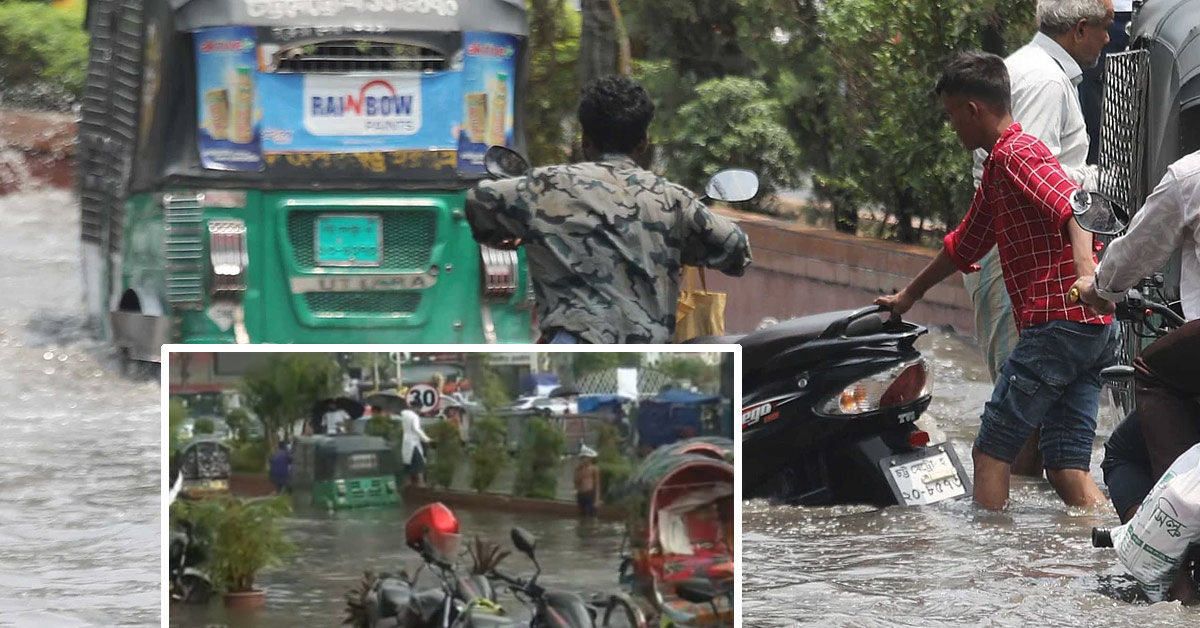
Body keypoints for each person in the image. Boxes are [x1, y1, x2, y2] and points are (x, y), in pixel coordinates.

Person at [876, 51, 1116, 510]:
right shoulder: (997, 169)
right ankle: (1108, 555)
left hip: (1057, 324)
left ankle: (991, 574)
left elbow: (1076, 206)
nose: (952, 128)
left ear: (972, 110)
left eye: (951, 116)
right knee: (1066, 468)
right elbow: (964, 245)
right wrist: (909, 296)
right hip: (1088, 332)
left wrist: (1088, 276)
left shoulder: (1017, 154)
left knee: (989, 452)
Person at [464, 75, 752, 344]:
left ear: (585, 140)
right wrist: (683, 243)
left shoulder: (541, 187)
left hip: (571, 353)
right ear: (643, 142)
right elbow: (737, 250)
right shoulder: (672, 199)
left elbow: (477, 201)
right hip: (648, 363)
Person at [964, 0, 1114, 476]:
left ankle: (1025, 539)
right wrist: (1098, 182)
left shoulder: (1033, 71)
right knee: (1023, 431)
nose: (1110, 39)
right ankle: (1025, 541)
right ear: (1081, 29)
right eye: (1106, 30)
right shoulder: (1046, 81)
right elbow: (1047, 188)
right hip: (1038, 269)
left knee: (1032, 432)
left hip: (1048, 283)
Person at [1070, 149, 1200, 519]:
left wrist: (1100, 289)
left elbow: (1135, 251)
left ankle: (1174, 531)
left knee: (1125, 449)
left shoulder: (1190, 176)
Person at [400, 409, 433, 488]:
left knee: (406, 462)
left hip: (404, 440)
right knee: (419, 461)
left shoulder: (403, 414)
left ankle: (407, 481)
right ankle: (421, 482)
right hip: (413, 442)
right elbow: (416, 429)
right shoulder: (414, 416)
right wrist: (427, 439)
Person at [574, 445, 602, 518]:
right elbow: (576, 481)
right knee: (582, 515)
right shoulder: (578, 469)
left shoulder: (594, 469)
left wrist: (597, 499)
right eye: (582, 458)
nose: (583, 459)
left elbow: (597, 485)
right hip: (581, 494)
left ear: (590, 459)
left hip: (590, 494)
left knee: (591, 516)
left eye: (585, 457)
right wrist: (580, 469)